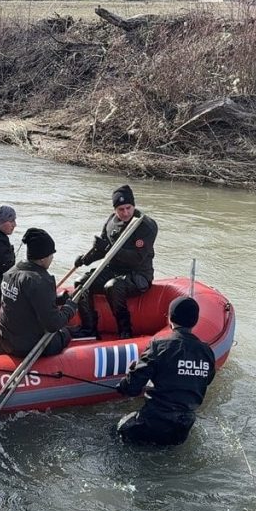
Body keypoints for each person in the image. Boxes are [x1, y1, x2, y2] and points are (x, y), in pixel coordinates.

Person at [114, 296, 216, 446]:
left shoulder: (159, 346)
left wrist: (129, 376)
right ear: (195, 321)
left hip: (152, 423)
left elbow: (131, 388)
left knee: (115, 431)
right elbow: (204, 381)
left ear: (170, 318)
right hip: (182, 429)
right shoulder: (207, 352)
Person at [0, 228, 77, 358]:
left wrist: (56, 299)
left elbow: (25, 300)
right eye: (51, 255)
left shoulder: (11, 272)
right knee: (64, 332)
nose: (52, 259)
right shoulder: (39, 280)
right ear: (42, 259)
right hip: (27, 346)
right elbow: (53, 324)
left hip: (6, 338)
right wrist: (70, 308)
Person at [72, 185, 158, 339]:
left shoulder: (146, 226)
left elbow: (137, 258)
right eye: (121, 209)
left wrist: (108, 249)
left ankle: (125, 331)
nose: (125, 213)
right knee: (81, 283)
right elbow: (101, 248)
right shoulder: (111, 221)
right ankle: (89, 329)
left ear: (133, 206)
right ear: (114, 210)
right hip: (113, 269)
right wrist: (84, 259)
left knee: (113, 286)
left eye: (128, 208)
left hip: (138, 274)